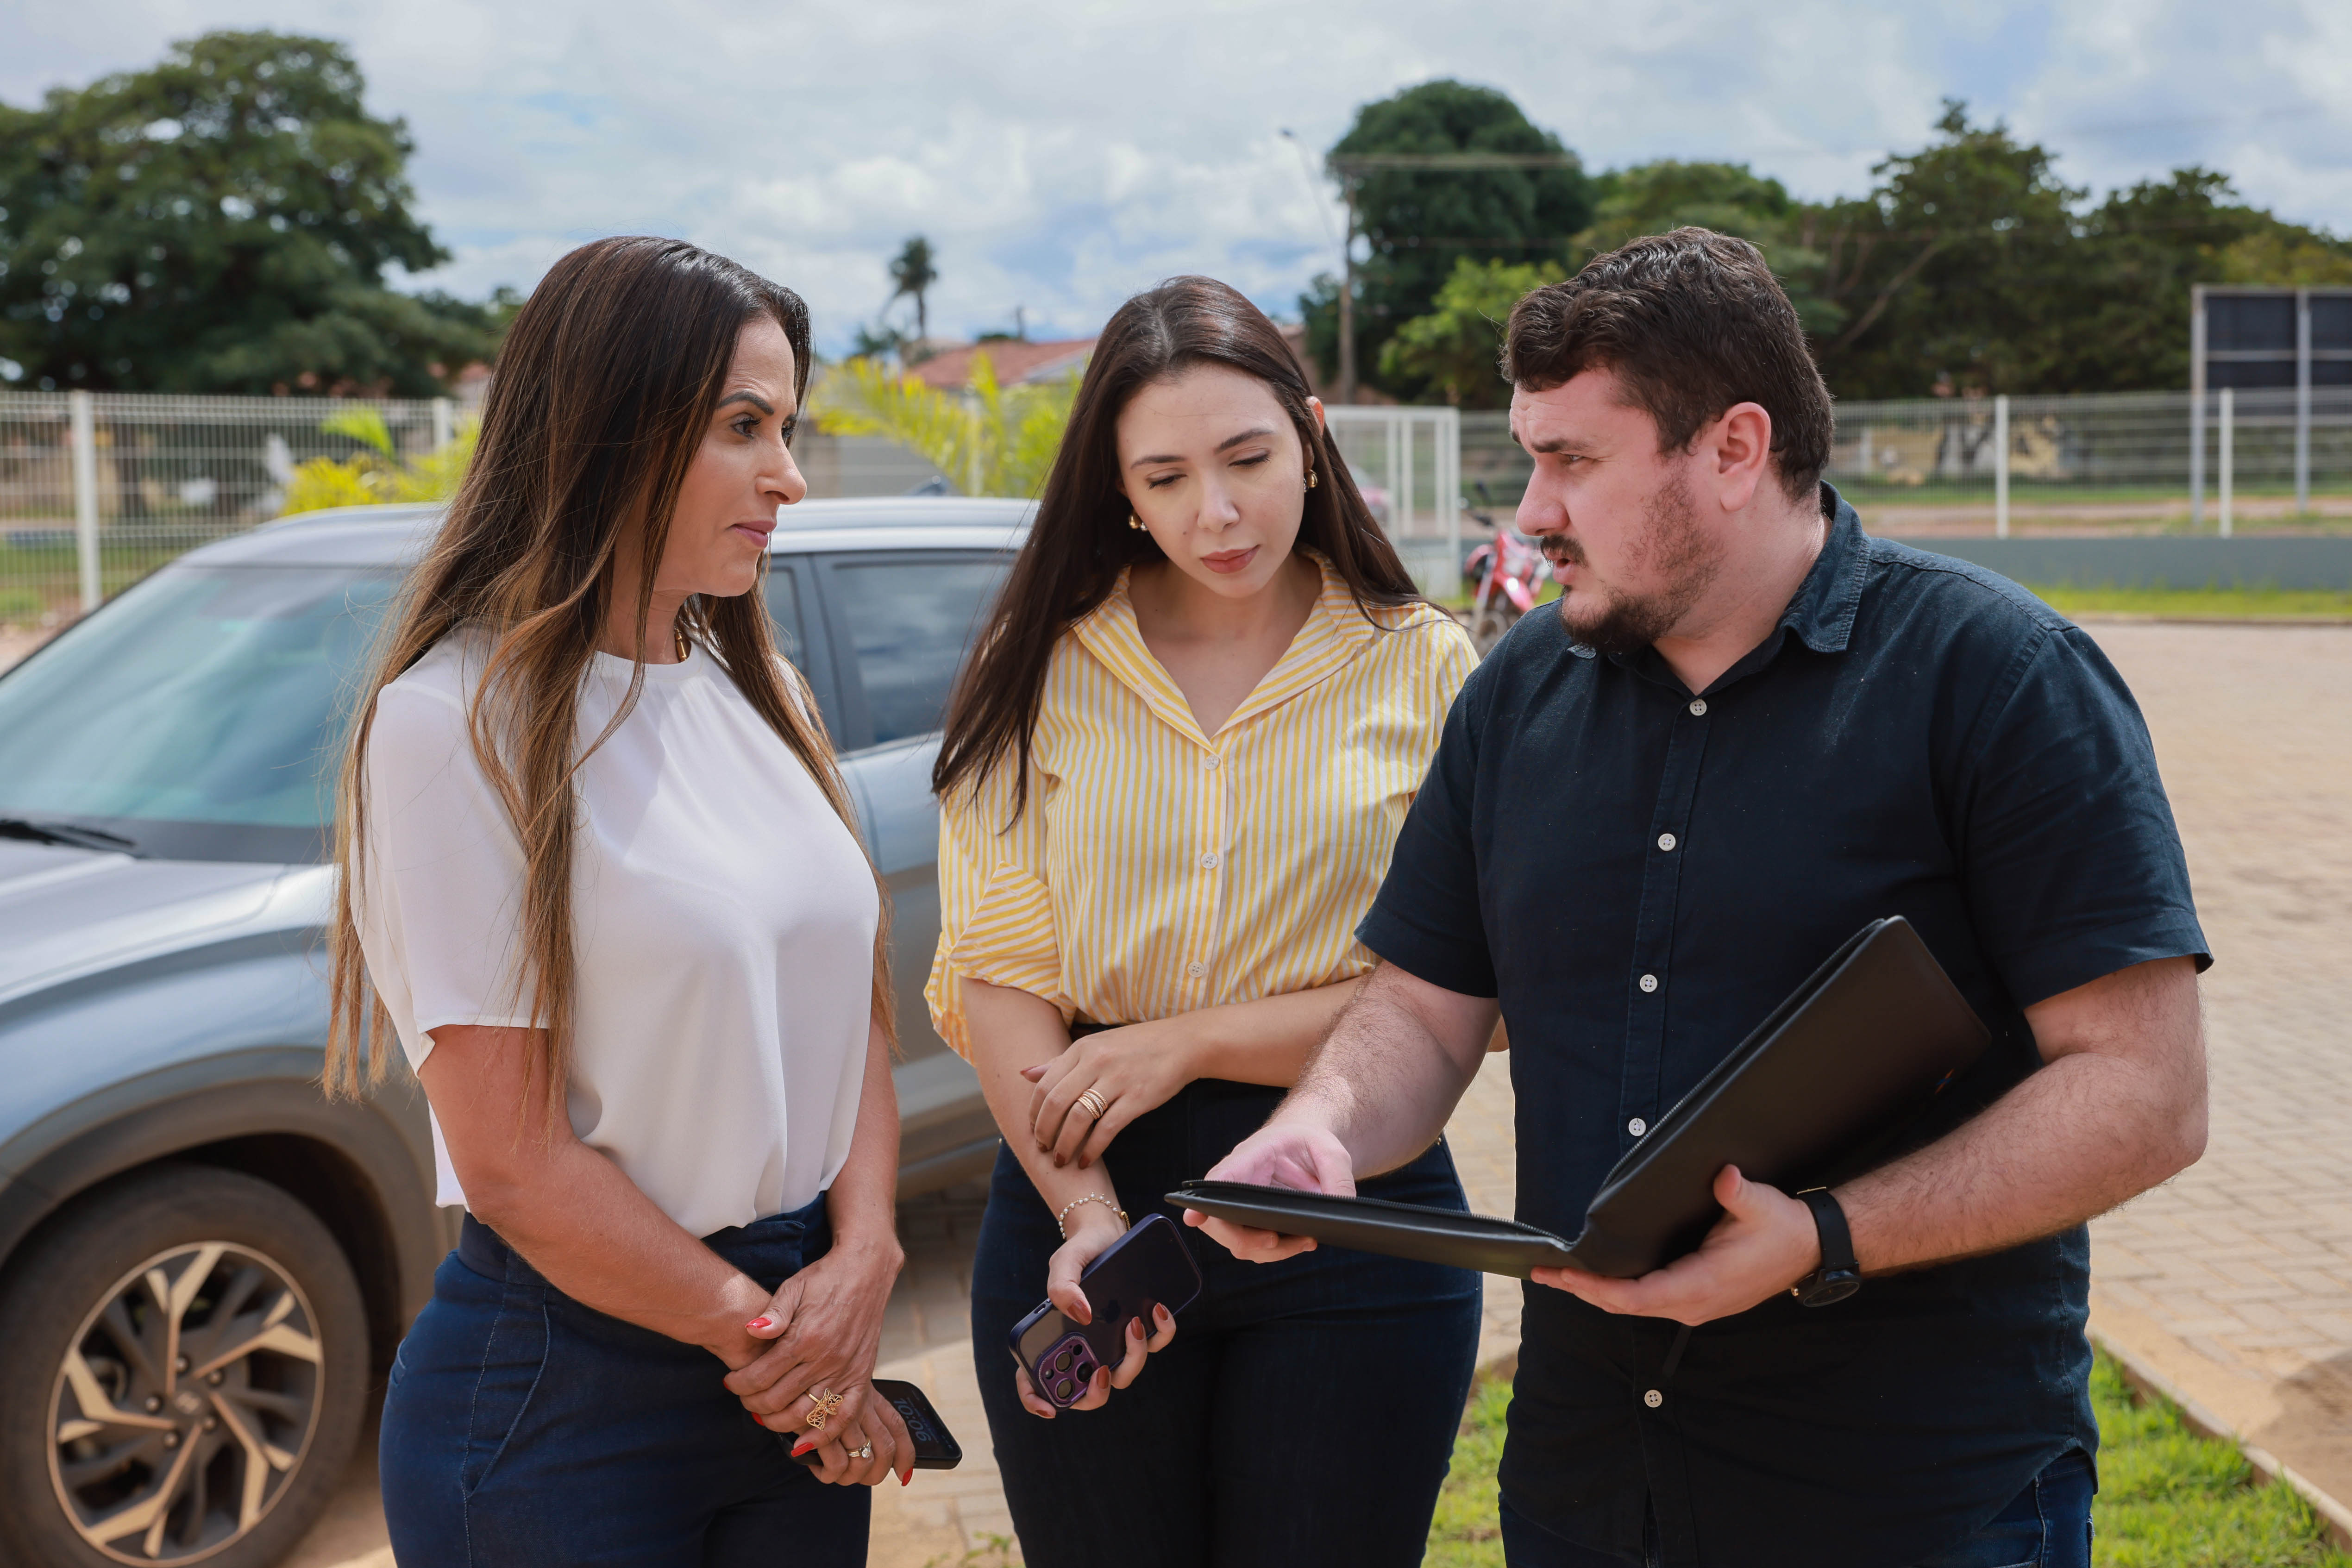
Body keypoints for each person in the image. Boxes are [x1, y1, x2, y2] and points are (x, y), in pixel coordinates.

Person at [1195, 229, 2211, 1568]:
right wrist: (1320, 1130)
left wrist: (1828, 1234)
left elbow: (2148, 1091)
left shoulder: (2001, 679)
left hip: (1912, 1497)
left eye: (1573, 460)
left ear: (1734, 450)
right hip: (1591, 1481)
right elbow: (1428, 1009)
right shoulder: (1516, 695)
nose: (1532, 510)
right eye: (1529, 455)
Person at [328, 235, 913, 1568]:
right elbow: (516, 1162)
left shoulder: (770, 701)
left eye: (788, 426)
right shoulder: (450, 725)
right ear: (608, 429)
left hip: (790, 1353)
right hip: (566, 1402)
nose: (789, 474)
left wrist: (866, 1253)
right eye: (743, 426)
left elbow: (854, 1018)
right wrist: (776, 1339)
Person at [926, 275, 1484, 1568]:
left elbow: (1462, 986)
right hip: (1085, 1191)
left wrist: (1181, 1042)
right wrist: (1082, 1217)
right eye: (1166, 476)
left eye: (1247, 459)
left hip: (1359, 1193)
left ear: (1312, 432)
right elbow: (1000, 971)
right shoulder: (1041, 659)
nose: (1216, 511)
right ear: (1118, 485)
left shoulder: (1426, 662)